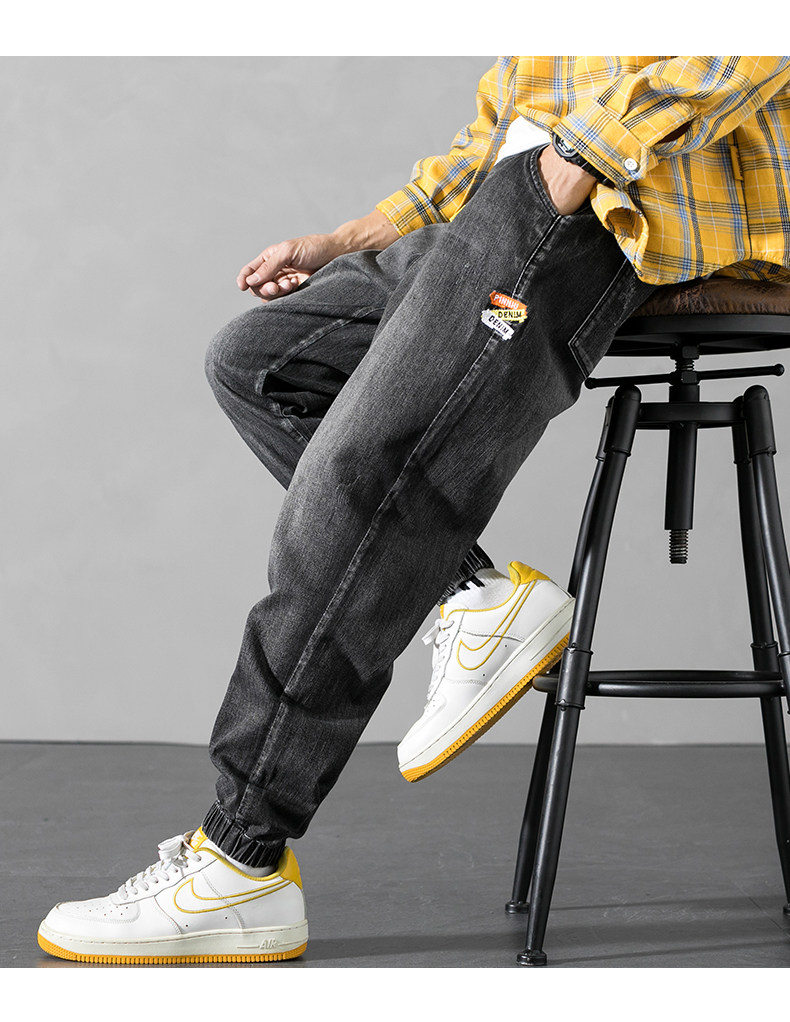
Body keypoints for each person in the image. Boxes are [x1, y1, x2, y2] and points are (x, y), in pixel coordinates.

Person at [37, 55, 790, 964]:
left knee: (357, 470)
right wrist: (346, 239)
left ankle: (239, 857)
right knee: (257, 362)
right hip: (520, 195)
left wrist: (574, 162)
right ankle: (475, 596)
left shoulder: (594, 163)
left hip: (627, 211)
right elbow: (494, 132)